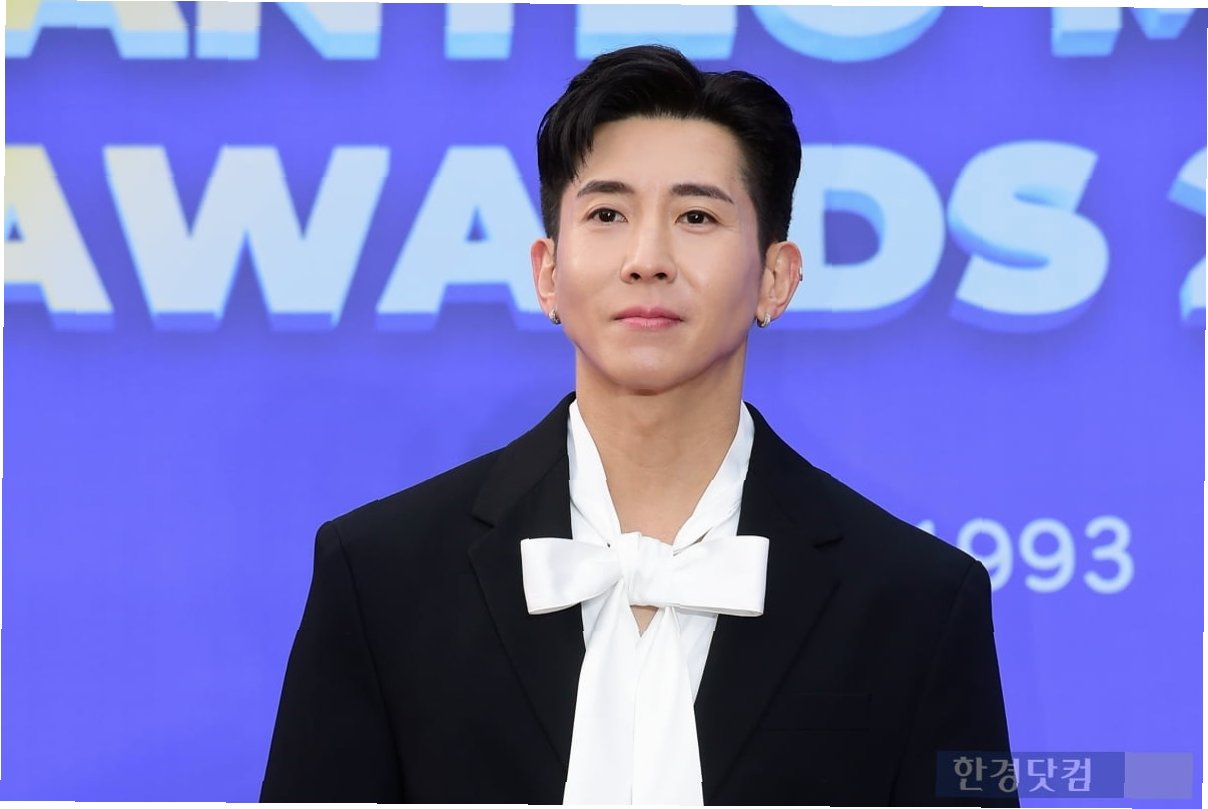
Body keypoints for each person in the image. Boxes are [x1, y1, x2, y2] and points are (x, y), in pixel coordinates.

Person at [260, 45, 1016, 806]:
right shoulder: (382, 576)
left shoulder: (915, 602)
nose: (647, 259)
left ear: (775, 277)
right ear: (548, 272)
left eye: (697, 216)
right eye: (607, 215)